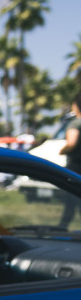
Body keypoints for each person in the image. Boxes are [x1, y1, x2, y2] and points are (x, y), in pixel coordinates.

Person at [58, 93, 81, 227]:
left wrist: (62, 150)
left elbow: (72, 143)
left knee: (71, 200)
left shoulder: (75, 123)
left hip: (75, 167)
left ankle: (61, 229)